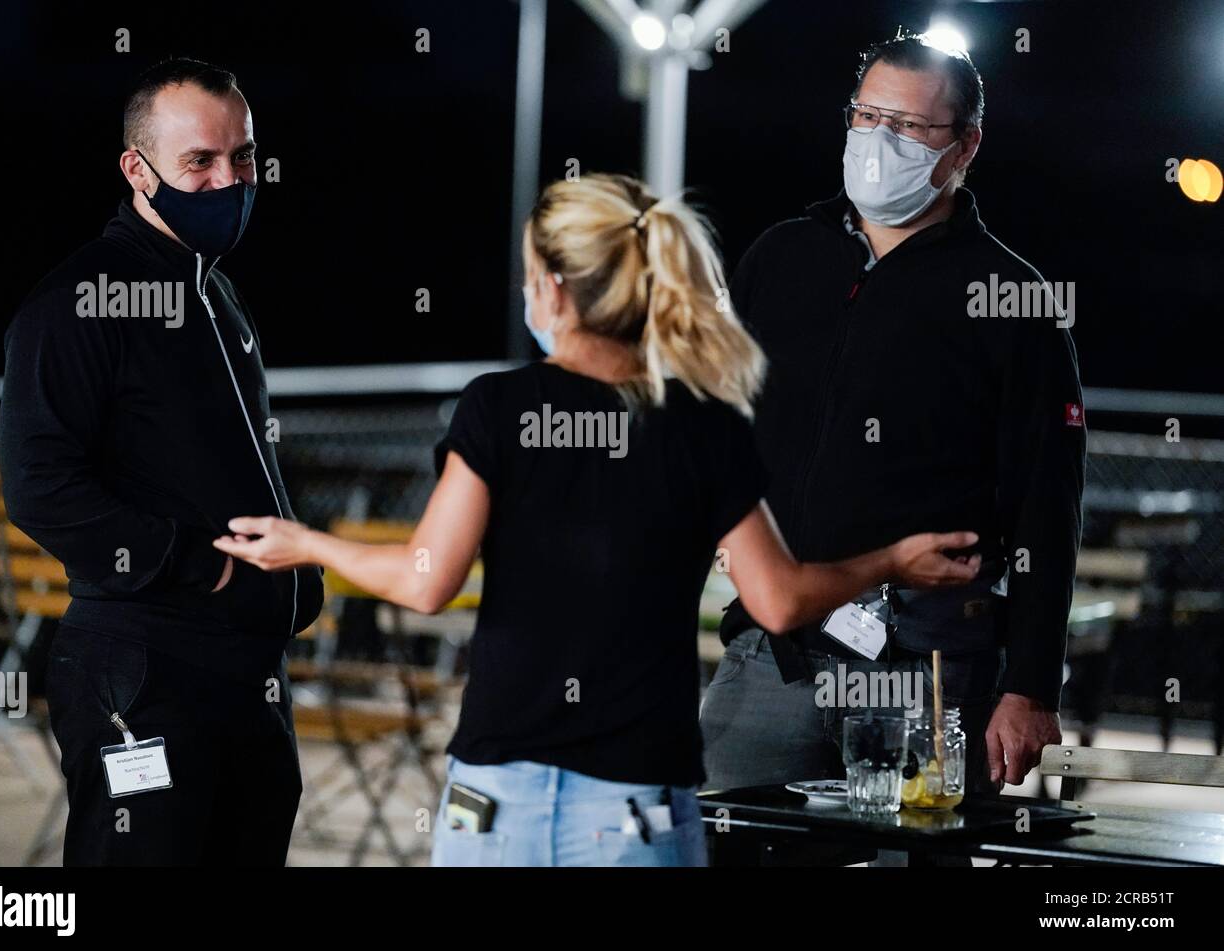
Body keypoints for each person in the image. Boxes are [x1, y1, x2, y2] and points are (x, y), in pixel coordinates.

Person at [214, 173, 981, 867]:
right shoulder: (703, 424)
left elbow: (426, 583)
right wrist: (892, 561)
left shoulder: (498, 408)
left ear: (551, 291)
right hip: (635, 808)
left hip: (496, 802)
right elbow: (779, 600)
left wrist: (305, 543)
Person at [700, 31, 1086, 803]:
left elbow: (1050, 500)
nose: (882, 141)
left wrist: (1031, 686)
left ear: (966, 143)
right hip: (774, 653)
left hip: (932, 662)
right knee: (722, 843)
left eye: (910, 127)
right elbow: (717, 419)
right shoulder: (781, 258)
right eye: (867, 117)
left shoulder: (1013, 299)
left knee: (914, 862)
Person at [0, 57, 322, 865]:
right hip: (143, 675)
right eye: (200, 162)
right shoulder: (79, 302)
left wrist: (294, 580)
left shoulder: (218, 294)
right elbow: (38, 486)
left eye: (242, 157)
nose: (229, 181)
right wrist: (190, 563)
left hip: (249, 680)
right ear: (136, 169)